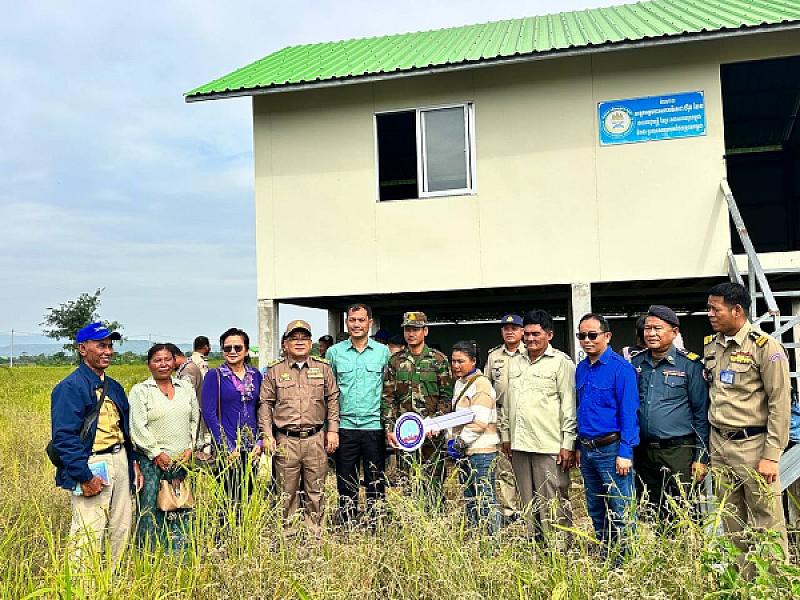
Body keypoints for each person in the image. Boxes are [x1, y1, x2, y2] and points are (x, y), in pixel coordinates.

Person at [705, 282, 791, 562]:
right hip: (720, 444)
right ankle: (742, 585)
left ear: (737, 310)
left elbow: (780, 403)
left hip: (754, 446)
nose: (709, 314)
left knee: (768, 523)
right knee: (731, 524)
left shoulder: (766, 348)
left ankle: (776, 586)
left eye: (715, 309)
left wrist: (772, 456)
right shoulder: (712, 346)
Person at [50, 322, 141, 567]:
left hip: (120, 459)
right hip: (93, 462)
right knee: (88, 532)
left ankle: (112, 583)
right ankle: (83, 588)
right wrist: (84, 476)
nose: (108, 351)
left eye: (110, 346)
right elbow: (64, 438)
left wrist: (132, 464)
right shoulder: (70, 387)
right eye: (101, 345)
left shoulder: (114, 387)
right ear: (82, 349)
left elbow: (125, 430)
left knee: (121, 526)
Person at [501, 309, 576, 540]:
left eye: (537, 334)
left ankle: (560, 550)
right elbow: (507, 402)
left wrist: (568, 444)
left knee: (553, 502)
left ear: (549, 335)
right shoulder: (515, 363)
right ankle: (537, 549)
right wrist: (506, 435)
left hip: (549, 445)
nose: (531, 339)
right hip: (520, 445)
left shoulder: (561, 363)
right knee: (528, 502)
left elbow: (569, 406)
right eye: (528, 334)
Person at [259, 320, 340, 533]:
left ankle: (315, 533)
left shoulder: (323, 368)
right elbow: (265, 404)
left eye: (304, 338)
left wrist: (332, 430)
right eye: (294, 338)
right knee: (287, 490)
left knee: (316, 490)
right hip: (286, 439)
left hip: (315, 438)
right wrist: (267, 435)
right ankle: (289, 533)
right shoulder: (274, 371)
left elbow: (332, 399)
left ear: (311, 342)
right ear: (285, 344)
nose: (299, 342)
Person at [630, 305, 709, 524]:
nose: (651, 334)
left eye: (658, 328)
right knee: (650, 511)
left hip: (678, 452)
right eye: (647, 329)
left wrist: (701, 458)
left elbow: (701, 414)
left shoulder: (690, 365)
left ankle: (688, 555)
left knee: (684, 512)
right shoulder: (636, 364)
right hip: (644, 451)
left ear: (674, 332)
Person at [575, 313, 639, 562]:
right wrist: (578, 446)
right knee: (595, 506)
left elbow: (629, 411)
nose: (586, 340)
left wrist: (625, 451)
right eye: (582, 336)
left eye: (593, 335)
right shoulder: (581, 369)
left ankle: (627, 561)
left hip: (611, 449)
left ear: (607, 336)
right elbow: (580, 410)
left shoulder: (620, 368)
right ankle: (607, 553)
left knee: (621, 508)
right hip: (588, 449)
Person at [129, 344, 199, 551]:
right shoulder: (141, 391)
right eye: (157, 360)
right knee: (151, 510)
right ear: (149, 365)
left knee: (180, 506)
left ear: (174, 361)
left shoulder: (185, 388)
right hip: (152, 463)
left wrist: (190, 447)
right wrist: (156, 453)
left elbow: (195, 419)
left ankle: (179, 555)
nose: (163, 364)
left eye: (167, 359)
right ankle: (149, 555)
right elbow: (137, 426)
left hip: (182, 462)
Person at [326, 304, 391, 527]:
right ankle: (348, 522)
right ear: (347, 323)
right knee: (346, 479)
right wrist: (331, 428)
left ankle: (377, 521)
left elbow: (387, 390)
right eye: (352, 320)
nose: (356, 324)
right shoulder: (334, 353)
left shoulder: (383, 353)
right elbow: (330, 392)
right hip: (345, 426)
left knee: (375, 478)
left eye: (361, 320)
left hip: (373, 426)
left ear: (369, 323)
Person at [383, 311, 453, 511]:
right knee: (408, 482)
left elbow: (447, 397)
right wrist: (389, 427)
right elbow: (388, 397)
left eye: (415, 329)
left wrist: (436, 423)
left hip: (432, 435)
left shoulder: (439, 360)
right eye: (407, 329)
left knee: (433, 482)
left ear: (425, 331)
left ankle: (434, 524)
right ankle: (413, 523)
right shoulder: (395, 361)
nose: (411, 333)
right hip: (406, 435)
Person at [201, 328, 263, 508]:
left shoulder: (255, 375)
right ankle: (226, 535)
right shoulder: (216, 376)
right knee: (228, 497)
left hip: (251, 447)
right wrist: (225, 447)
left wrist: (259, 442)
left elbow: (261, 408)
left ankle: (244, 533)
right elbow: (209, 413)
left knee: (247, 494)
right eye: (227, 348)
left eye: (237, 347)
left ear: (246, 350)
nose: (233, 352)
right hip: (227, 447)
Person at [449, 340, 501, 534]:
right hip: (465, 451)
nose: (456, 366)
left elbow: (479, 421)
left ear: (473, 361)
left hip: (481, 451)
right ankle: (476, 538)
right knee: (470, 499)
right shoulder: (460, 383)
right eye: (453, 361)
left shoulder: (481, 384)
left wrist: (459, 442)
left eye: (460, 361)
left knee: (485, 499)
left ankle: (492, 543)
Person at [486, 313, 526, 522]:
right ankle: (510, 510)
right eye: (505, 328)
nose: (509, 331)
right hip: (502, 416)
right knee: (504, 465)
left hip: (525, 416)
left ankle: (529, 505)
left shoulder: (529, 353)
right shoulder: (494, 356)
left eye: (514, 328)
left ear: (522, 331)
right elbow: (487, 387)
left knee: (527, 462)